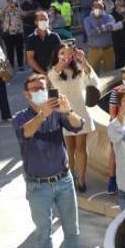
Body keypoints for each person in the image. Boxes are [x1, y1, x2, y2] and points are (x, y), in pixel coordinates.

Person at [13, 74, 92, 248]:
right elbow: (25, 132)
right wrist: (42, 115)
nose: (40, 91)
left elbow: (78, 125)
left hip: (64, 181)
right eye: (35, 88)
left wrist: (67, 110)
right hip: (37, 186)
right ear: (26, 94)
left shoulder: (57, 113)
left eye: (43, 88)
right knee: (43, 233)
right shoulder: (20, 117)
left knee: (72, 230)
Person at [48, 44, 99, 192]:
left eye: (68, 53)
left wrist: (83, 60)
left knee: (81, 148)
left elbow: (94, 81)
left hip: (81, 113)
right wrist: (61, 62)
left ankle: (81, 180)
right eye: (61, 53)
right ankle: (70, 178)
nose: (65, 55)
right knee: (69, 148)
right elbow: (51, 77)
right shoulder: (55, 72)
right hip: (63, 115)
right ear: (56, 55)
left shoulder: (79, 70)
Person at [25, 11, 63, 75]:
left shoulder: (54, 36)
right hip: (39, 74)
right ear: (36, 22)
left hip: (56, 72)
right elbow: (30, 59)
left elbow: (62, 53)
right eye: (41, 20)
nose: (44, 21)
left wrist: (55, 70)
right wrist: (44, 73)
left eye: (46, 19)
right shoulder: (31, 39)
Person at [82, 1, 115, 73]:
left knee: (110, 71)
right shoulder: (87, 19)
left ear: (103, 8)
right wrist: (103, 28)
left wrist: (98, 29)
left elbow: (111, 27)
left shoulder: (109, 17)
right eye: (95, 7)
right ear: (92, 8)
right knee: (92, 72)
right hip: (94, 50)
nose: (98, 9)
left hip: (108, 49)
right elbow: (89, 33)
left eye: (100, 7)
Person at [0, 0, 25, 70]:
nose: (11, 4)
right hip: (8, 33)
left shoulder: (18, 10)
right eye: (10, 3)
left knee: (19, 50)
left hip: (18, 33)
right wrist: (6, 7)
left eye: (13, 3)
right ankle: (11, 65)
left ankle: (20, 65)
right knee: (9, 50)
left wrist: (17, 6)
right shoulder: (5, 11)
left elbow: (23, 15)